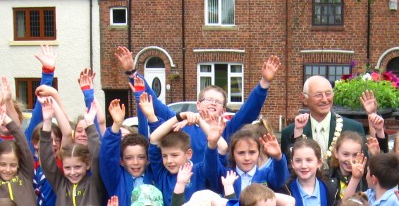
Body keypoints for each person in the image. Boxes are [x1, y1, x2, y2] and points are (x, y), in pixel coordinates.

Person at [116, 46, 278, 169]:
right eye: (209, 99)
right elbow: (154, 104)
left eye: (218, 102)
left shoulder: (226, 130)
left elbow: (248, 112)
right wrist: (132, 73)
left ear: (223, 110)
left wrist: (264, 83)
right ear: (198, 104)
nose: (213, 103)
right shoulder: (180, 124)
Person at [279, 74, 366, 162]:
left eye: (328, 94)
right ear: (304, 98)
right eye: (318, 95)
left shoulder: (353, 128)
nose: (324, 99)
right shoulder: (290, 132)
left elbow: (363, 165)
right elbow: (288, 169)